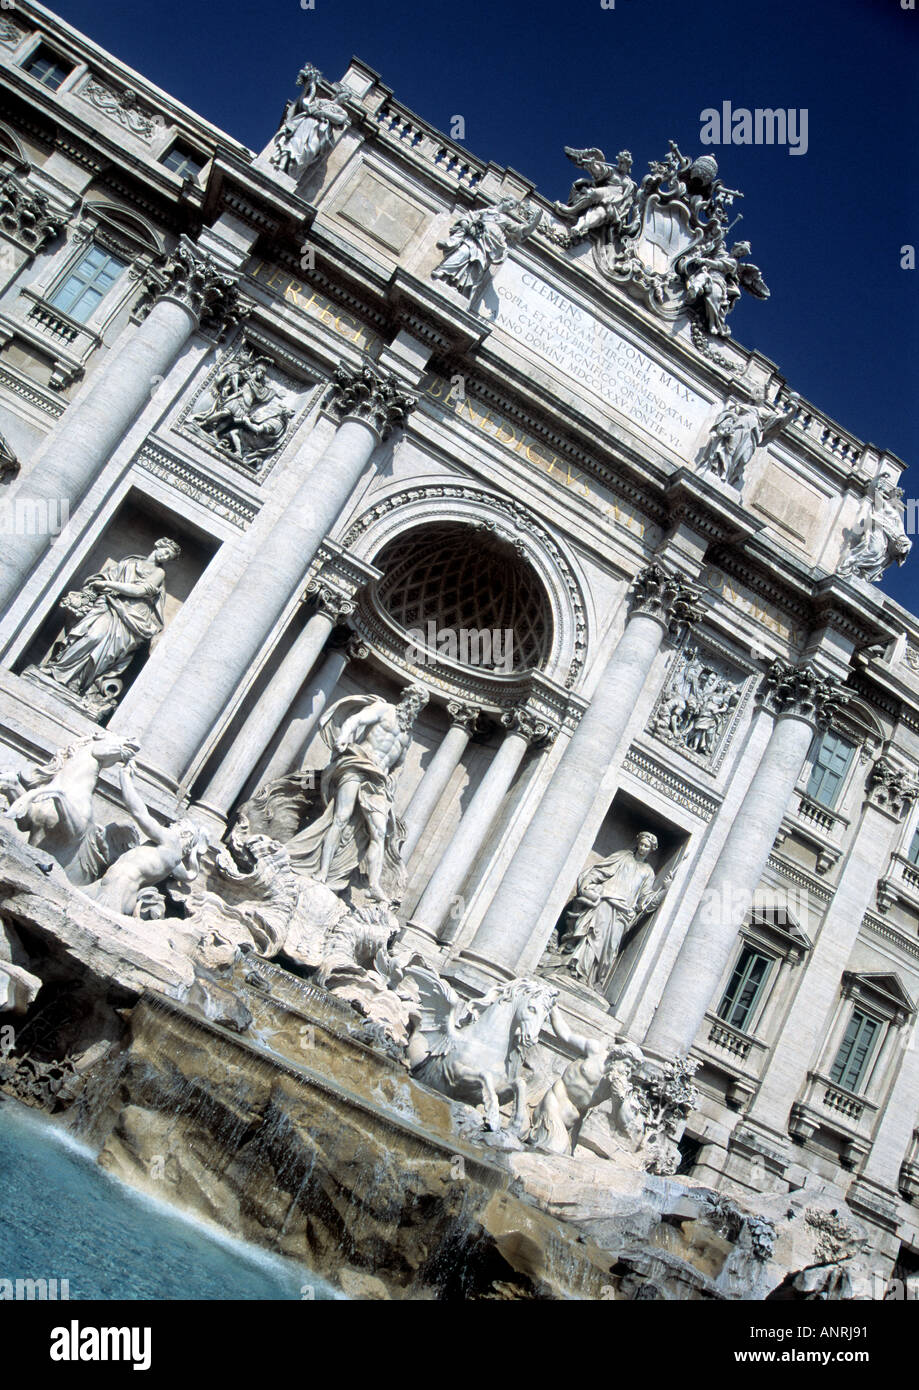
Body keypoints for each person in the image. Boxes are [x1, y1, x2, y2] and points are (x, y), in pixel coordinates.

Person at [286, 685, 428, 901]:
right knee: (341, 818)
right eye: (414, 698)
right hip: (358, 763)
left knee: (380, 832)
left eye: (420, 703)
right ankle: (322, 872)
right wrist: (344, 736)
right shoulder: (384, 709)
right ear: (405, 697)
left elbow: (399, 765)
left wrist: (393, 782)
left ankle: (373, 885)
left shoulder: (407, 736)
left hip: (378, 781)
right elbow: (357, 720)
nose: (414, 704)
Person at [42, 539, 180, 701]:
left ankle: (79, 683)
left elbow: (139, 591)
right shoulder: (130, 562)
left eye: (168, 557)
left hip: (132, 617)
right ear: (157, 545)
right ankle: (58, 669)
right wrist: (98, 583)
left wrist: (108, 584)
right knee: (93, 636)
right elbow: (109, 575)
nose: (164, 556)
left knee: (107, 651)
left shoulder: (159, 573)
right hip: (109, 605)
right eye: (165, 551)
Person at [90, 764, 209, 917]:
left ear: (185, 834)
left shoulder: (170, 840)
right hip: (122, 894)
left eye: (177, 824)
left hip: (116, 890)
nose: (171, 825)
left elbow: (140, 814)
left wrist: (125, 779)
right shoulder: (175, 862)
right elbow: (189, 875)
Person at [557, 832, 670, 991]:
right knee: (592, 937)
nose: (643, 848)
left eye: (647, 846)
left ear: (651, 849)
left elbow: (645, 902)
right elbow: (600, 871)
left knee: (610, 948)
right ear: (638, 843)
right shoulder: (622, 857)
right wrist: (587, 885)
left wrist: (664, 890)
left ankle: (593, 980)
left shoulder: (648, 872)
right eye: (642, 844)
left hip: (622, 913)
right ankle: (576, 972)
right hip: (605, 902)